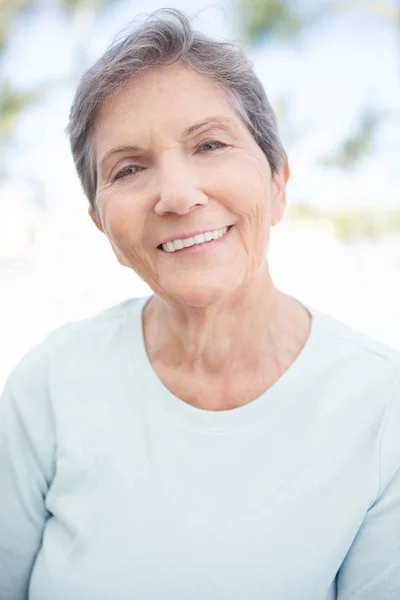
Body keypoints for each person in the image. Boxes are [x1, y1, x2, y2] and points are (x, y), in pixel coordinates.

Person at [0, 8, 399, 600]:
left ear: (278, 181)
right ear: (102, 227)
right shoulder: (49, 385)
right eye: (129, 168)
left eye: (209, 144)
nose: (178, 196)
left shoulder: (381, 408)